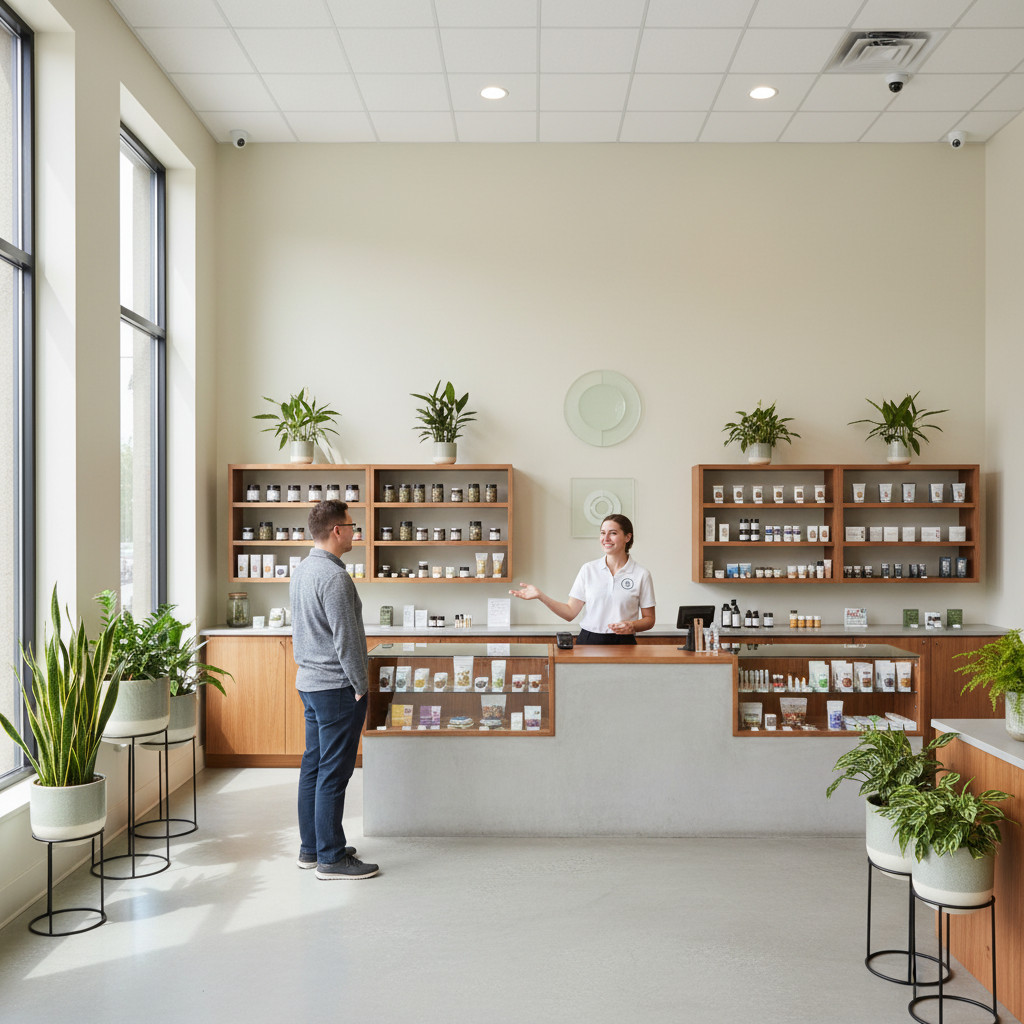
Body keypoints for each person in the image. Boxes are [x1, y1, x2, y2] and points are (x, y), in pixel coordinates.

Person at [290, 499, 379, 880]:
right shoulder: (335, 578)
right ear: (337, 530)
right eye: (352, 525)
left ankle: (312, 848)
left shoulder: (303, 570)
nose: (355, 532)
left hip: (310, 683)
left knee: (313, 766)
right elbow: (346, 640)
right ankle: (331, 858)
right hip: (337, 687)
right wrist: (360, 685)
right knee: (334, 773)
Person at [509, 513, 655, 645]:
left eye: (613, 533)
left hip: (624, 642)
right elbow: (570, 613)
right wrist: (541, 596)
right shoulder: (588, 569)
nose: (605, 538)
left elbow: (649, 619)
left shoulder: (641, 574)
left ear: (627, 537)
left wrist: (632, 626)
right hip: (589, 641)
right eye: (602, 533)